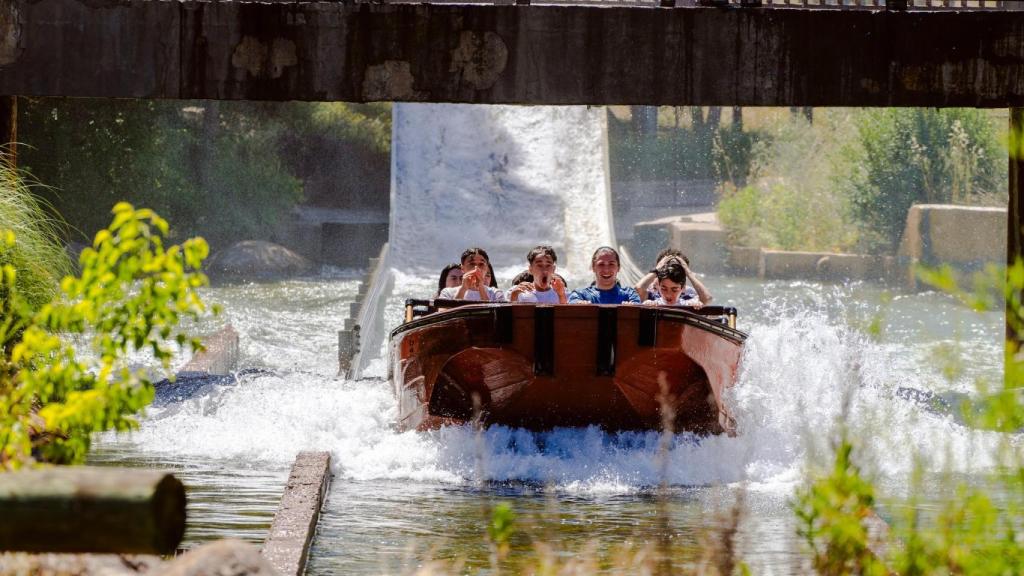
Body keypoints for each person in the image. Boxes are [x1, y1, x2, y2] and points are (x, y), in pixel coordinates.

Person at [635, 248, 713, 304]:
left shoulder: (689, 296)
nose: (668, 294)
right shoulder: (652, 293)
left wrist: (688, 273)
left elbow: (707, 298)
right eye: (664, 288)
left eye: (674, 290)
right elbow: (638, 290)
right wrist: (656, 269)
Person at [567, 246, 641, 304]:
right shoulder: (580, 295)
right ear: (593, 267)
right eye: (601, 264)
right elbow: (572, 305)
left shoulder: (629, 294)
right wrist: (579, 306)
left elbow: (637, 307)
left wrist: (630, 308)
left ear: (618, 268)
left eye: (611, 264)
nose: (606, 270)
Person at [438, 247, 506, 302]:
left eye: (481, 264)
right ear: (462, 268)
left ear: (487, 268)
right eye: (472, 264)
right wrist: (463, 289)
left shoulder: (496, 294)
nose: (476, 268)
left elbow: (499, 317)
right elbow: (445, 316)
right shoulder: (447, 293)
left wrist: (481, 288)